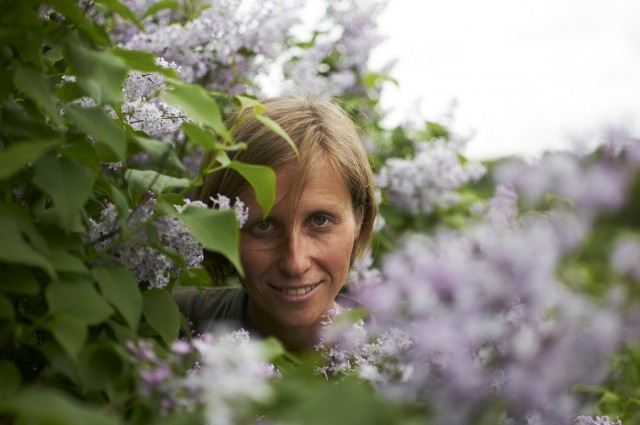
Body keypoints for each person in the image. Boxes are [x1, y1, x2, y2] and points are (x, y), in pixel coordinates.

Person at [173, 95, 378, 352]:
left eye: (320, 220)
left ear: (359, 218)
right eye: (263, 226)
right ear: (218, 231)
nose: (295, 264)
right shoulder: (169, 325)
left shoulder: (406, 362)